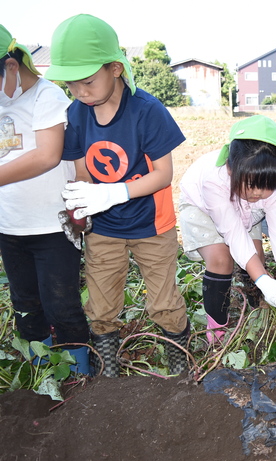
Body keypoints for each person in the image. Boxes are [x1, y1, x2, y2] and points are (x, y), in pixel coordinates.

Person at [44, 14, 190, 377]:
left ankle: (179, 366)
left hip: (151, 224)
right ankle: (109, 370)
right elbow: (82, 174)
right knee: (101, 303)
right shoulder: (76, 114)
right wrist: (79, 208)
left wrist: (116, 192)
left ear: (115, 68)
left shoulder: (147, 111)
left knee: (163, 303)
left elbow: (163, 174)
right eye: (71, 84)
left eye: (87, 82)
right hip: (105, 228)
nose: (80, 92)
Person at [0, 25, 90, 373]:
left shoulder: (46, 97)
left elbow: (47, 155)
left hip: (52, 227)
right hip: (11, 227)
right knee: (25, 306)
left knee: (62, 306)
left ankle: (78, 379)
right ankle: (42, 376)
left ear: (10, 67)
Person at [178, 115, 276, 344]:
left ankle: (255, 314)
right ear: (231, 169)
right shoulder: (213, 181)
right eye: (251, 185)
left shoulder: (274, 187)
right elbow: (233, 233)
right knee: (222, 260)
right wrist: (265, 281)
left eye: (266, 187)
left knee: (256, 260)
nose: (258, 193)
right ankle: (216, 331)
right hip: (202, 206)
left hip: (246, 211)